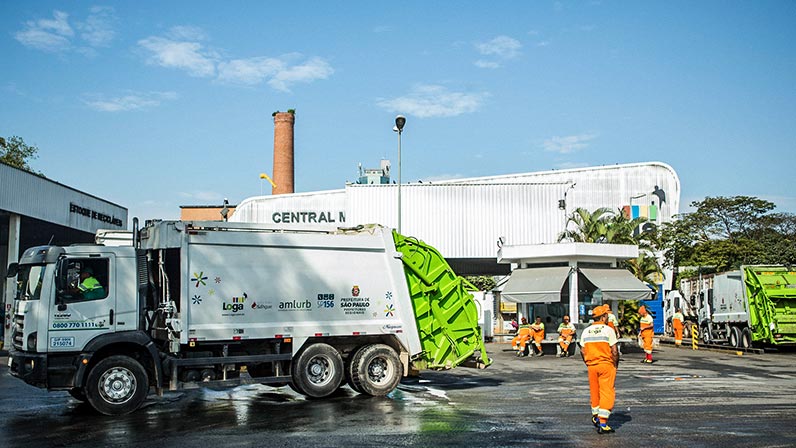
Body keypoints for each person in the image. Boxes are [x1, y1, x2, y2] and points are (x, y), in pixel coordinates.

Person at [579, 304, 619, 434]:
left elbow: (582, 350)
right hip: (606, 364)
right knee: (607, 391)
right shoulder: (608, 330)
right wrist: (615, 364)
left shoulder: (586, 331)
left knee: (595, 392)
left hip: (592, 366)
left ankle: (596, 416)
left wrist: (587, 362)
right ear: (604, 316)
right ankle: (603, 423)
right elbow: (614, 351)